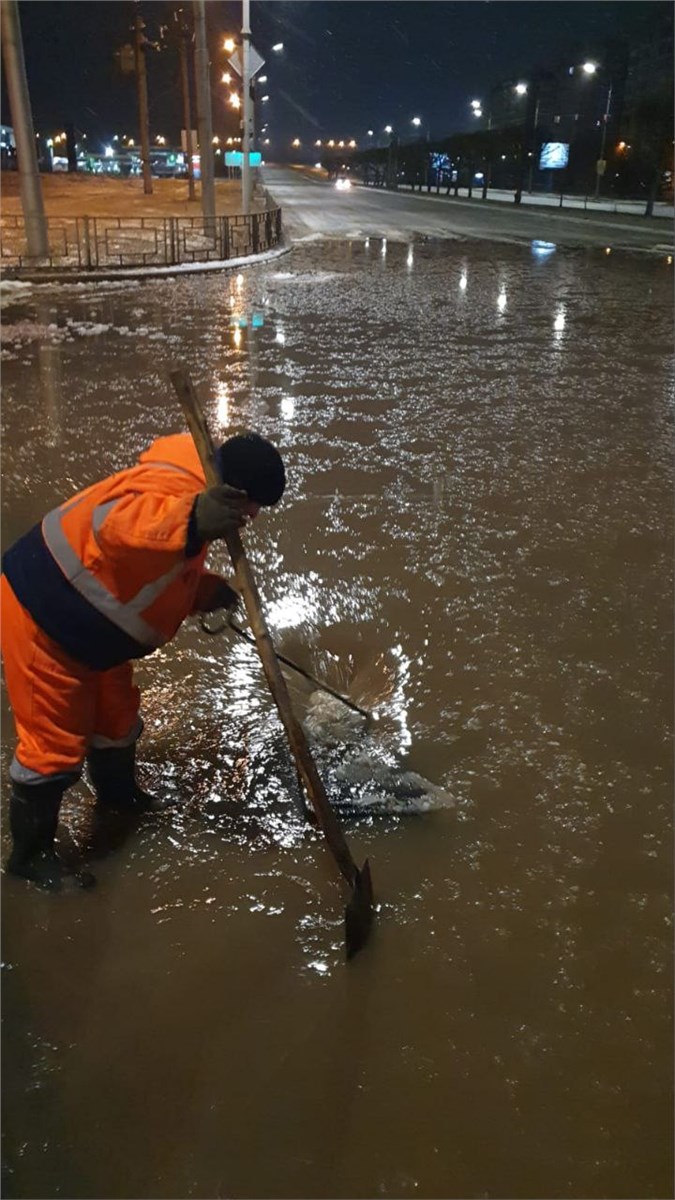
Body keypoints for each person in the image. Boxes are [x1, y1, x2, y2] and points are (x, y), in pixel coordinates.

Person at [1, 429, 286, 891]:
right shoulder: (171, 499)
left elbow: (154, 569)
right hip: (45, 614)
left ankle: (118, 798)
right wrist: (192, 521)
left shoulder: (197, 500)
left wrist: (204, 590)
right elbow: (124, 530)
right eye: (253, 506)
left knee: (116, 719)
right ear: (232, 492)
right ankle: (31, 858)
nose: (252, 517)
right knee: (52, 745)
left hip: (96, 628)